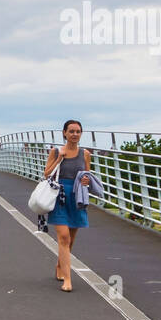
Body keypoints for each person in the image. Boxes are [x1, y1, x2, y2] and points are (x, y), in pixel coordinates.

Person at [43, 119, 100, 293]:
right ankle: (67, 279)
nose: (75, 134)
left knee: (71, 239)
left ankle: (60, 266)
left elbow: (87, 174)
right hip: (60, 195)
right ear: (64, 133)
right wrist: (59, 159)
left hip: (76, 197)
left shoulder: (85, 154)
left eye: (78, 131)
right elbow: (46, 173)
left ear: (81, 134)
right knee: (64, 237)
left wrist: (85, 180)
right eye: (71, 131)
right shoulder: (56, 151)